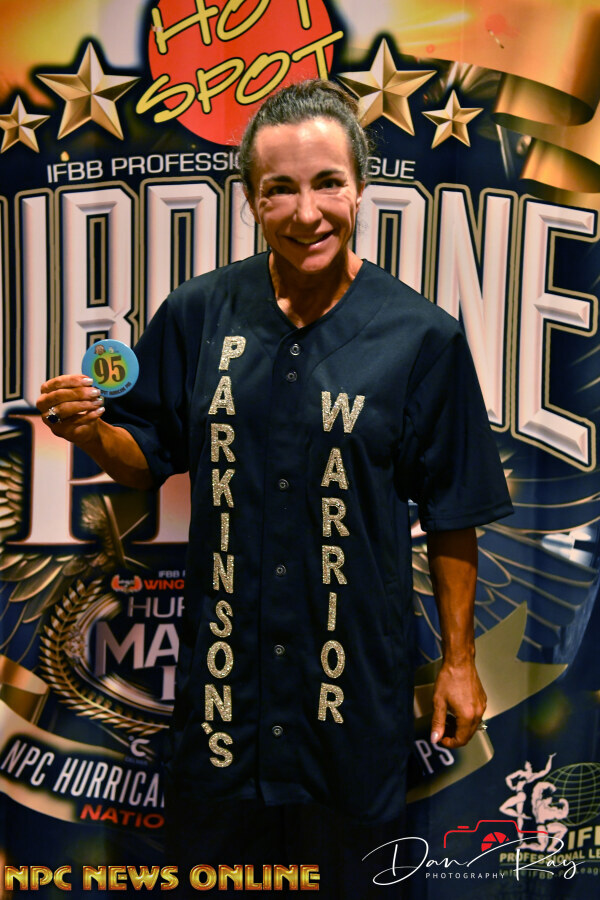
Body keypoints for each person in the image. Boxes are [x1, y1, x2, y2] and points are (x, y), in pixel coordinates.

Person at [37, 80, 512, 897]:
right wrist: (88, 431)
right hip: (227, 705)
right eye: (280, 189)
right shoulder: (197, 313)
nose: (306, 212)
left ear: (359, 188)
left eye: (327, 183)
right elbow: (144, 456)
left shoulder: (422, 337)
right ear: (252, 200)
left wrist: (460, 663)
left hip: (350, 704)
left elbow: (453, 511)